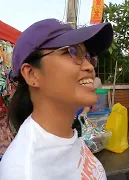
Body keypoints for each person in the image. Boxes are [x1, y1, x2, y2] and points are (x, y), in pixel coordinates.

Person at [0, 19, 113, 180]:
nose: (90, 66)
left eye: (87, 56)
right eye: (72, 52)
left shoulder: (67, 134)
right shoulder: (25, 171)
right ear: (32, 74)